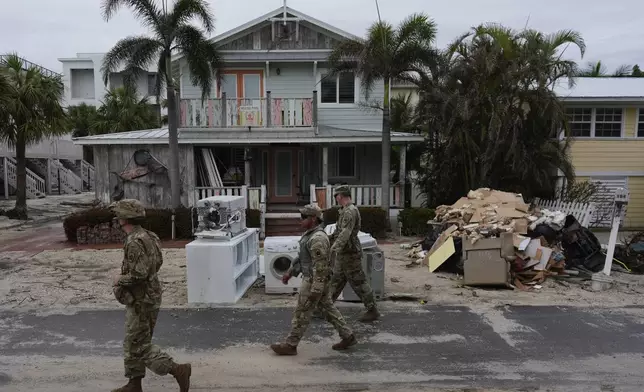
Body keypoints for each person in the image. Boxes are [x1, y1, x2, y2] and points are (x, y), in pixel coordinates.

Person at [110, 199, 191, 392]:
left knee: (139, 346)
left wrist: (119, 279)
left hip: (141, 299)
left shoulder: (134, 241)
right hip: (149, 295)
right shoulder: (149, 236)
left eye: (119, 215)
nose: (117, 218)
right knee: (132, 341)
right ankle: (134, 384)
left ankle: (177, 370)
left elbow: (140, 274)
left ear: (124, 218)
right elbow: (157, 263)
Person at [270, 203, 356, 355]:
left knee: (302, 312)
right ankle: (347, 335)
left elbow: (320, 266)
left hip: (314, 280)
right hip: (317, 279)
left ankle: (291, 344)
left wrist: (316, 289)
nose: (300, 220)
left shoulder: (317, 238)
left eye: (303, 217)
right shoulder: (310, 235)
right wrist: (290, 272)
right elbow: (302, 257)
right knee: (328, 309)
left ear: (314, 219)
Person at [325, 185, 380, 322]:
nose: (336, 199)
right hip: (344, 253)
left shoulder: (350, 211)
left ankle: (372, 309)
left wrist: (334, 248)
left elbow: (346, 233)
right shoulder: (344, 210)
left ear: (341, 196)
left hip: (350, 254)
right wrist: (328, 239)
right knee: (336, 281)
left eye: (336, 196)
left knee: (358, 282)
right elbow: (338, 232)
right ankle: (325, 308)